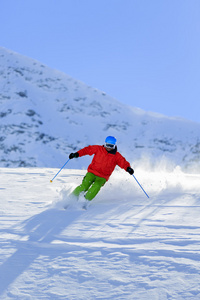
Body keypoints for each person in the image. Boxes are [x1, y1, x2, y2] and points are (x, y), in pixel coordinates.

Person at [68, 136, 134, 202]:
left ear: (114, 146)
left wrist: (128, 168)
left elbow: (123, 162)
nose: (109, 148)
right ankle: (71, 198)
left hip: (102, 176)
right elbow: (87, 150)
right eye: (107, 145)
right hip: (92, 172)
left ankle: (84, 201)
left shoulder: (116, 156)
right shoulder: (98, 149)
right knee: (85, 185)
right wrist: (77, 154)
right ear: (105, 144)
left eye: (111, 146)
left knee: (96, 186)